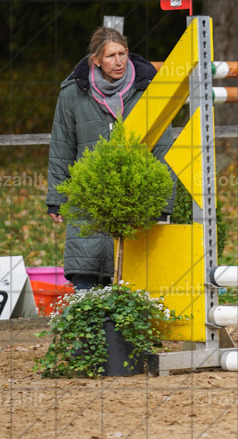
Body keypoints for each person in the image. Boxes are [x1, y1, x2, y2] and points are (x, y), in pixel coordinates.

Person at [47, 27, 174, 290]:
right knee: (85, 270)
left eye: (122, 53)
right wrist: (56, 200)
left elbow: (163, 150)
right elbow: (62, 147)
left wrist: (163, 204)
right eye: (110, 56)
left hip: (136, 198)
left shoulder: (149, 90)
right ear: (96, 60)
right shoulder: (72, 93)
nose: (118, 61)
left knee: (132, 280)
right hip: (87, 196)